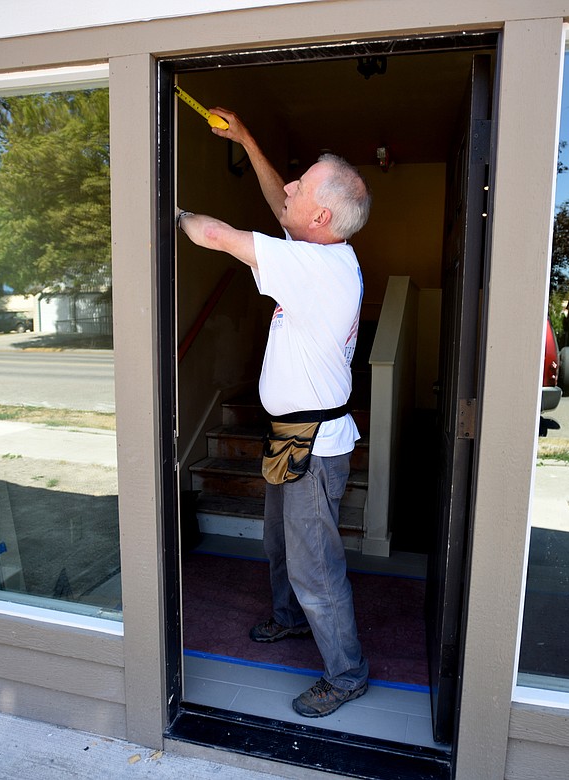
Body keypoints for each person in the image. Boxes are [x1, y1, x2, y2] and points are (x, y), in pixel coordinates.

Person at [176, 106, 371, 718]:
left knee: (317, 569)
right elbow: (275, 202)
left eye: (302, 184)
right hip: (292, 437)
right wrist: (246, 138)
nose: (288, 186)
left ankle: (347, 675)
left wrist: (168, 210)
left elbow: (217, 234)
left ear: (320, 216)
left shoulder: (316, 267)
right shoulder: (316, 251)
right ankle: (288, 621)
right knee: (281, 549)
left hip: (312, 448)